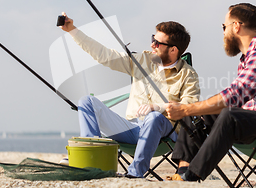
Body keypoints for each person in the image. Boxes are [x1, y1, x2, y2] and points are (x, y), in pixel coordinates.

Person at [165, 3, 256, 181]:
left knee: (224, 114)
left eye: (224, 27)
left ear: (236, 26)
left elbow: (238, 94)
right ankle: (183, 170)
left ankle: (192, 174)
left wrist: (187, 109)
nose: (223, 32)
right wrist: (191, 110)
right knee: (197, 112)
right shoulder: (248, 57)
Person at [60, 13, 200, 178]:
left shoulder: (188, 74)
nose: (152, 44)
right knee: (86, 101)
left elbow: (189, 108)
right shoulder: (143, 60)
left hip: (164, 131)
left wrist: (158, 107)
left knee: (154, 117)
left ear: (173, 49)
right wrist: (72, 30)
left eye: (157, 42)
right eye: (152, 38)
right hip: (132, 128)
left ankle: (135, 174)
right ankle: (91, 159)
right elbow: (105, 56)